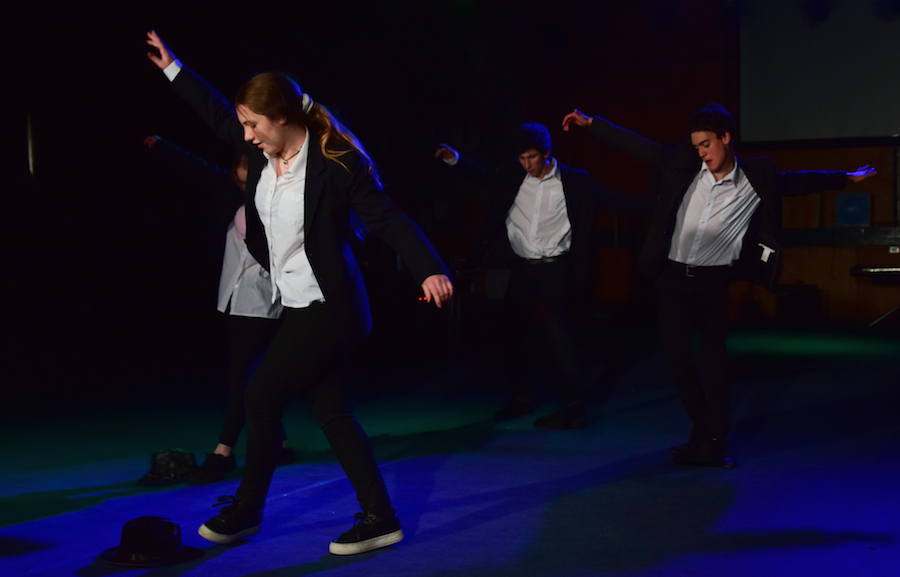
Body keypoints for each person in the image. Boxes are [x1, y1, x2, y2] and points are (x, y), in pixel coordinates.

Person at [146, 31, 453, 555]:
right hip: (297, 304)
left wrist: (429, 269)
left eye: (254, 125)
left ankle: (247, 511)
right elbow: (216, 111)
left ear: (284, 117)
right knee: (330, 409)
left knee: (260, 392)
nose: (246, 135)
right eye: (244, 125)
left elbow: (388, 217)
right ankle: (380, 517)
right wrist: (174, 68)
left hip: (333, 307)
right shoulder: (260, 147)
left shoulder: (336, 163)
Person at [562, 104, 875, 467]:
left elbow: (798, 182)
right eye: (697, 146)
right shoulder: (682, 164)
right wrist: (592, 124)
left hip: (713, 283)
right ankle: (705, 432)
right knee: (679, 362)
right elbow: (638, 146)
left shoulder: (756, 177)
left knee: (715, 364)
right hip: (671, 279)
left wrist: (845, 178)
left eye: (707, 144)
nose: (702, 152)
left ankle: (713, 440)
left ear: (726, 138)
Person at [436, 123, 651, 429]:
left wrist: (664, 203)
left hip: (556, 268)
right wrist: (455, 159)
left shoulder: (574, 181)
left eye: (532, 158)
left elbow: (615, 202)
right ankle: (521, 397)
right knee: (509, 331)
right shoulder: (512, 174)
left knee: (559, 334)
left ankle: (574, 407)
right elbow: (484, 177)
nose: (527, 164)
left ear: (547, 154)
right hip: (523, 268)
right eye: (522, 158)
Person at [143, 136, 293, 484]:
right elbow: (198, 169)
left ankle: (224, 451)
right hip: (234, 299)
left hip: (262, 303)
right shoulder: (231, 194)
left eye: (248, 182)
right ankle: (280, 442)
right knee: (249, 375)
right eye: (238, 181)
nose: (243, 188)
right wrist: (162, 146)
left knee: (240, 377)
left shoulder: (276, 203)